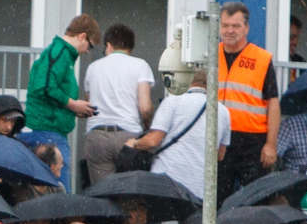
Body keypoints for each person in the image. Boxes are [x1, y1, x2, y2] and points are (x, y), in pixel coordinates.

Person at [212, 2, 281, 197]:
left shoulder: (261, 59)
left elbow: (273, 104)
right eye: (225, 25)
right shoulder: (210, 56)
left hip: (252, 143)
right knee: (216, 200)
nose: (230, 31)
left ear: (246, 28)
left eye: (236, 26)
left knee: (255, 200)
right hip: (217, 140)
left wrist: (271, 145)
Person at [130, 67, 230, 202]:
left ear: (187, 80)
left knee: (161, 221)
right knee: (193, 222)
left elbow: (153, 140)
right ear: (211, 83)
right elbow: (220, 155)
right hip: (199, 187)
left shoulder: (172, 102)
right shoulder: (223, 112)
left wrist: (135, 143)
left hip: (166, 182)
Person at [25, 14, 101, 182]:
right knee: (58, 191)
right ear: (82, 36)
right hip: (47, 132)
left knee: (53, 191)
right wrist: (74, 105)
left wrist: (75, 110)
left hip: (49, 131)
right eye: (91, 45)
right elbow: (44, 87)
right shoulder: (59, 53)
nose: (88, 51)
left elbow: (49, 92)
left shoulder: (61, 54)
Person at [81, 23, 155, 184]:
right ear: (130, 47)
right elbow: (145, 107)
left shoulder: (93, 68)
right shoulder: (140, 66)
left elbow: (89, 106)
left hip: (98, 137)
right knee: (129, 192)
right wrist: (147, 125)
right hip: (128, 137)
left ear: (109, 45)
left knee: (103, 194)